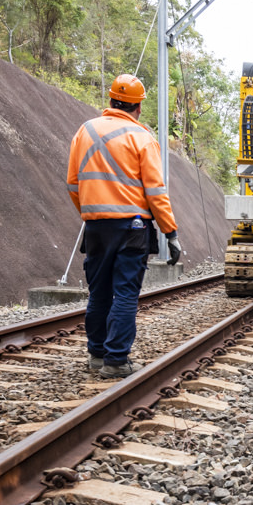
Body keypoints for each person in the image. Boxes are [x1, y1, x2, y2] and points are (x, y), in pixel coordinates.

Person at [67, 75, 182, 379]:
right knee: (126, 292)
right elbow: (155, 192)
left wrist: (90, 213)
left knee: (99, 292)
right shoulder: (142, 137)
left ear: (111, 100)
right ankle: (116, 360)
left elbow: (73, 184)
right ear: (139, 106)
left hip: (95, 227)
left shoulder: (85, 131)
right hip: (132, 227)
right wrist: (170, 232)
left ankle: (96, 354)